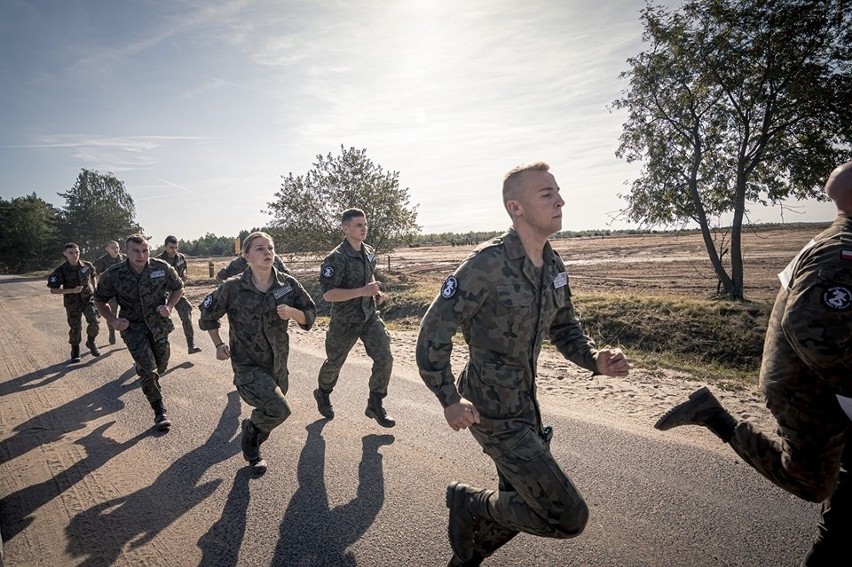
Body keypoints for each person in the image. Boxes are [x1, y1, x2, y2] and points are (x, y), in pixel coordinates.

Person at [416, 162, 630, 565]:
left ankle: (467, 556)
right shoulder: (486, 265)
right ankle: (469, 501)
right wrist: (449, 397)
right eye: (546, 194)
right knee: (567, 515)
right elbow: (433, 333)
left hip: (527, 408)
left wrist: (594, 360)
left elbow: (565, 327)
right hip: (490, 410)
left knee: (521, 504)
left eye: (558, 191)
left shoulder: (553, 265)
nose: (560, 200)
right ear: (515, 207)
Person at [654, 160, 852, 567]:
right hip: (810, 389)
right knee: (812, 483)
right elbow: (810, 328)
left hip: (825, 387)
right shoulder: (841, 250)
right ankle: (714, 416)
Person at [198, 232, 316, 473]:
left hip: (278, 364)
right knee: (280, 410)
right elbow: (207, 316)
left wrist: (292, 312)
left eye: (270, 248)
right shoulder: (232, 288)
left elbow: (310, 315)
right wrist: (219, 344)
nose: (267, 253)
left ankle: (253, 434)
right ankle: (251, 440)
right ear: (246, 256)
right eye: (260, 249)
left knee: (272, 410)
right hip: (247, 365)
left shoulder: (287, 284)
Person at [313, 208, 396, 428]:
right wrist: (362, 291)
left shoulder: (368, 251)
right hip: (344, 322)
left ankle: (375, 403)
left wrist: (375, 293)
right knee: (334, 363)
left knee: (385, 357)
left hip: (369, 317)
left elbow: (369, 276)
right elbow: (328, 294)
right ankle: (323, 392)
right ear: (345, 228)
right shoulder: (336, 258)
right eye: (358, 225)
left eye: (365, 224)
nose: (363, 228)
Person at [93, 234, 184, 431]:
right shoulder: (114, 273)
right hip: (132, 327)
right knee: (149, 370)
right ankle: (159, 411)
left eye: (145, 250)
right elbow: (99, 299)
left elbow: (178, 288)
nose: (141, 255)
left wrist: (169, 306)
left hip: (159, 325)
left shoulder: (161, 267)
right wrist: (114, 320)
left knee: (161, 364)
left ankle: (143, 369)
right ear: (127, 252)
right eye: (136, 251)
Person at [47, 242, 101, 362]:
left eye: (77, 252)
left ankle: (91, 342)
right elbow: (53, 290)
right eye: (71, 253)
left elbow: (93, 276)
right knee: (75, 327)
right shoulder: (61, 270)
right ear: (65, 254)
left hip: (88, 300)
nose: (74, 255)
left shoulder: (86, 265)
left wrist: (94, 286)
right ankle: (75, 349)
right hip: (72, 303)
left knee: (94, 321)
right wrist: (72, 290)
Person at [157, 235, 201, 354]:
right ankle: (154, 350)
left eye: (176, 247)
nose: (174, 250)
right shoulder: (158, 261)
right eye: (171, 247)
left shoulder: (181, 258)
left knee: (186, 314)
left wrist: (184, 276)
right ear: (165, 246)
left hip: (177, 292)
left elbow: (184, 269)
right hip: (163, 294)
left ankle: (191, 346)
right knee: (158, 321)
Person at [93, 240, 125, 345]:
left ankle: (126, 333)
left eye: (117, 247)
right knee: (112, 313)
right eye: (113, 248)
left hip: (125, 291)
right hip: (111, 292)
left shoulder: (125, 258)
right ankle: (111, 331)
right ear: (107, 249)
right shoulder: (101, 261)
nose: (116, 250)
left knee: (129, 313)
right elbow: (95, 275)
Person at [215, 253, 291, 283]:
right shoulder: (238, 263)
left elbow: (288, 276)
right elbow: (220, 277)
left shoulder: (274, 259)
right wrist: (229, 290)